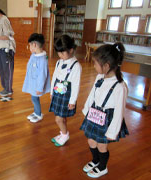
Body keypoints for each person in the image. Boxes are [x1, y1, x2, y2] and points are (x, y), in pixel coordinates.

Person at [80, 42, 129, 178]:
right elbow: (92, 94)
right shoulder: (99, 77)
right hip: (94, 114)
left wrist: (112, 131)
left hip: (107, 118)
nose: (94, 65)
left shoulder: (120, 87)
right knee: (91, 140)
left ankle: (102, 167)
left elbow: (119, 112)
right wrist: (86, 109)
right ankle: (95, 160)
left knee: (102, 145)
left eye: (96, 63)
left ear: (106, 66)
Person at [49, 35, 82, 147]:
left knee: (58, 119)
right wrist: (51, 92)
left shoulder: (76, 66)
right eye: (58, 53)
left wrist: (72, 101)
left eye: (63, 53)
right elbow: (54, 77)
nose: (60, 55)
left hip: (67, 96)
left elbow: (76, 85)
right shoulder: (59, 62)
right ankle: (63, 133)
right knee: (61, 117)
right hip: (58, 92)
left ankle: (65, 134)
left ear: (71, 50)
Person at [22, 33, 50, 123]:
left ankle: (38, 114)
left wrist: (39, 88)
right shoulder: (33, 55)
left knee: (34, 98)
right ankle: (36, 112)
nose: (29, 47)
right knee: (34, 98)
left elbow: (43, 75)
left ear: (34, 45)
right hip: (32, 82)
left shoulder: (42, 60)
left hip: (37, 84)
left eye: (29, 45)